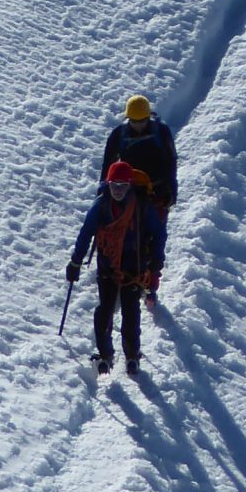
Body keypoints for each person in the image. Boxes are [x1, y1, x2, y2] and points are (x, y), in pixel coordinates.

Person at [68, 160, 164, 377]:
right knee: (105, 309)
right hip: (108, 268)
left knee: (131, 311)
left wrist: (156, 262)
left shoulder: (141, 206)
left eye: (122, 186)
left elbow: (159, 233)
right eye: (114, 186)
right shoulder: (100, 206)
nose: (118, 191)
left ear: (130, 185)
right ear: (108, 184)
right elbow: (85, 234)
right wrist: (75, 262)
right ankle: (105, 354)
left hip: (134, 268)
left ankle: (131, 354)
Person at [102, 94, 178, 298]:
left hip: (156, 192)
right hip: (128, 190)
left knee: (156, 233)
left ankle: (153, 276)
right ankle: (120, 268)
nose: (138, 125)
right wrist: (104, 191)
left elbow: (171, 162)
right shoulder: (119, 134)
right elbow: (107, 166)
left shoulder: (161, 132)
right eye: (134, 122)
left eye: (142, 121)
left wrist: (171, 190)